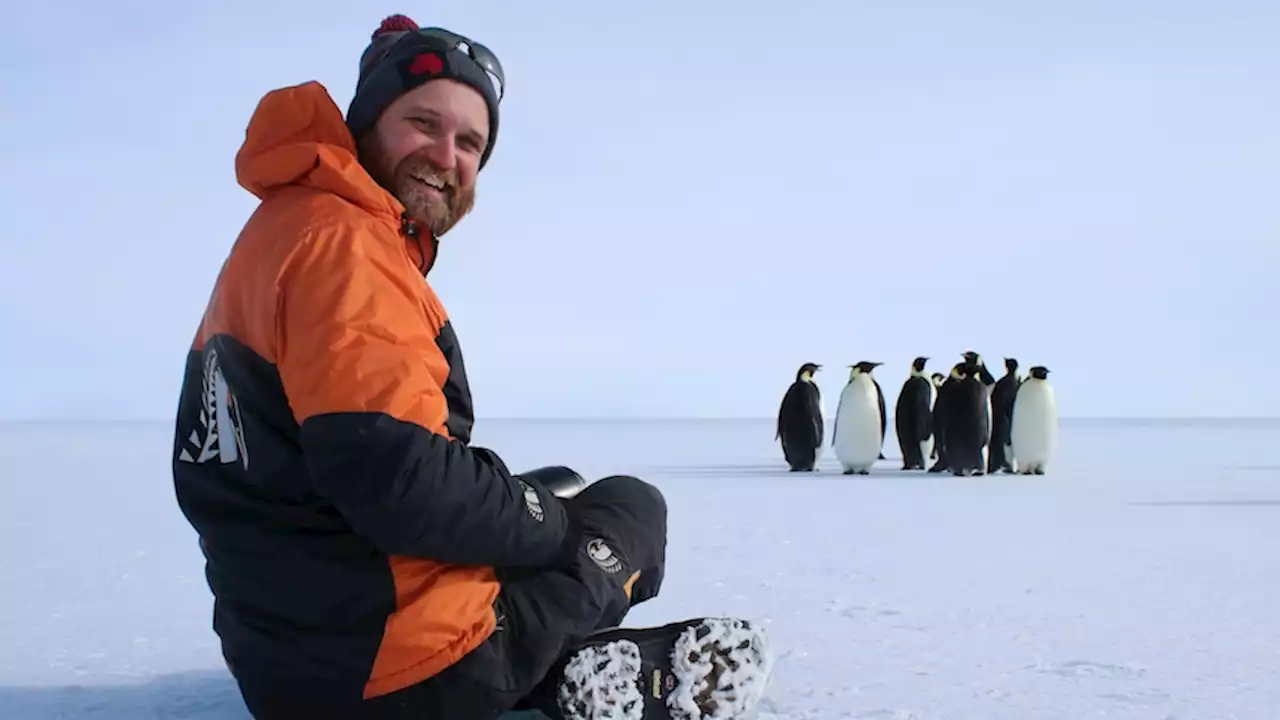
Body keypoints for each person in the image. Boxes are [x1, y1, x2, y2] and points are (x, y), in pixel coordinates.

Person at [171, 13, 772, 720]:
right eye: (423, 123)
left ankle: (549, 658)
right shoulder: (347, 247)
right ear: (366, 123)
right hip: (396, 670)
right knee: (625, 509)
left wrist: (531, 506)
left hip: (286, 655)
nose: (445, 154)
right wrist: (559, 529)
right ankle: (565, 665)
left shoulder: (289, 228)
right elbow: (396, 479)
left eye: (469, 142)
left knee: (546, 492)